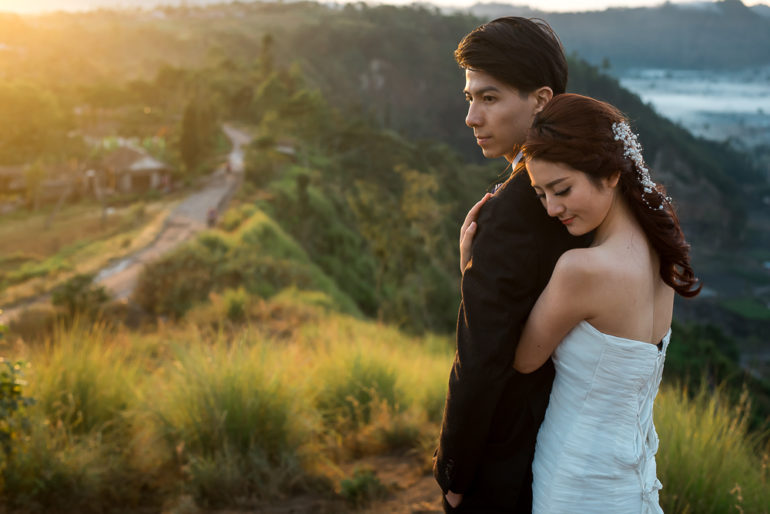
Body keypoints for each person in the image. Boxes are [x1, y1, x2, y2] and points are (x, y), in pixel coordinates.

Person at [461, 94, 700, 512]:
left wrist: (471, 267)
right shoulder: (662, 253)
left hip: (577, 480)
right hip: (634, 483)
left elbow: (520, 359)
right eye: (540, 195)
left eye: (562, 189)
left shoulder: (582, 270)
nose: (553, 209)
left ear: (609, 173)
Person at [433, 17, 590, 512]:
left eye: (489, 97)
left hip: (506, 461)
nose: (471, 117)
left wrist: (454, 473)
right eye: (469, 99)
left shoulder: (511, 215)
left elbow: (480, 361)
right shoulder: (588, 192)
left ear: (541, 100)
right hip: (573, 446)